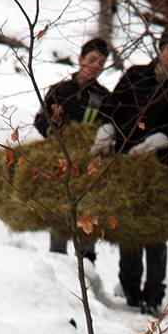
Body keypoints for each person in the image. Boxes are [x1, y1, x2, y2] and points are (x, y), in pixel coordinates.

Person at [103, 22, 168, 315]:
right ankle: (130, 288)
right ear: (160, 48)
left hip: (160, 165)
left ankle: (153, 294)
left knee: (155, 228)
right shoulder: (136, 75)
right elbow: (112, 106)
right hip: (124, 162)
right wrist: (106, 132)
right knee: (128, 225)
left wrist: (153, 143)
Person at [33, 37, 111, 263]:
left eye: (101, 62)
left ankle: (87, 264)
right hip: (60, 161)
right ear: (80, 59)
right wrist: (58, 136)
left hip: (89, 165)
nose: (96, 65)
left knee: (88, 214)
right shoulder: (60, 90)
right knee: (60, 213)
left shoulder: (104, 96)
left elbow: (108, 126)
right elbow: (41, 120)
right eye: (92, 59)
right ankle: (57, 261)